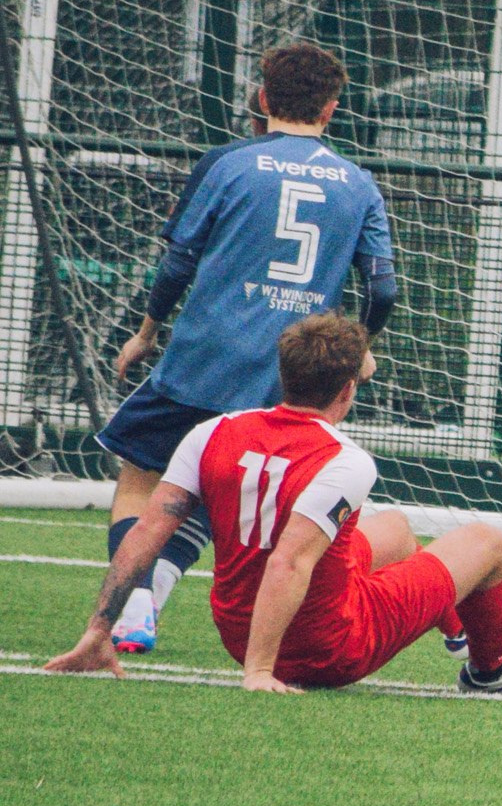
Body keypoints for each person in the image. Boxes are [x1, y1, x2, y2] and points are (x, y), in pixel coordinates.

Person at [44, 314, 502, 696]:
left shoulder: (213, 432)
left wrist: (98, 630)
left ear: (285, 375)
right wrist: (258, 672)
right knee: (489, 543)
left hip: (237, 628)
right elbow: (289, 561)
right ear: (346, 390)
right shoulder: (345, 460)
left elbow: (144, 533)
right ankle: (491, 671)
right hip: (330, 647)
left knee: (396, 529)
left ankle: (456, 628)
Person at [95, 42, 412, 656]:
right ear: (331, 110)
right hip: (287, 374)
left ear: (264, 100)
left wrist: (146, 332)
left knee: (145, 479)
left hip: (202, 362)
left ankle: (137, 605)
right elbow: (382, 288)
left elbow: (178, 261)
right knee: (236, 494)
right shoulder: (358, 182)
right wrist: (360, 349)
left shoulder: (227, 163)